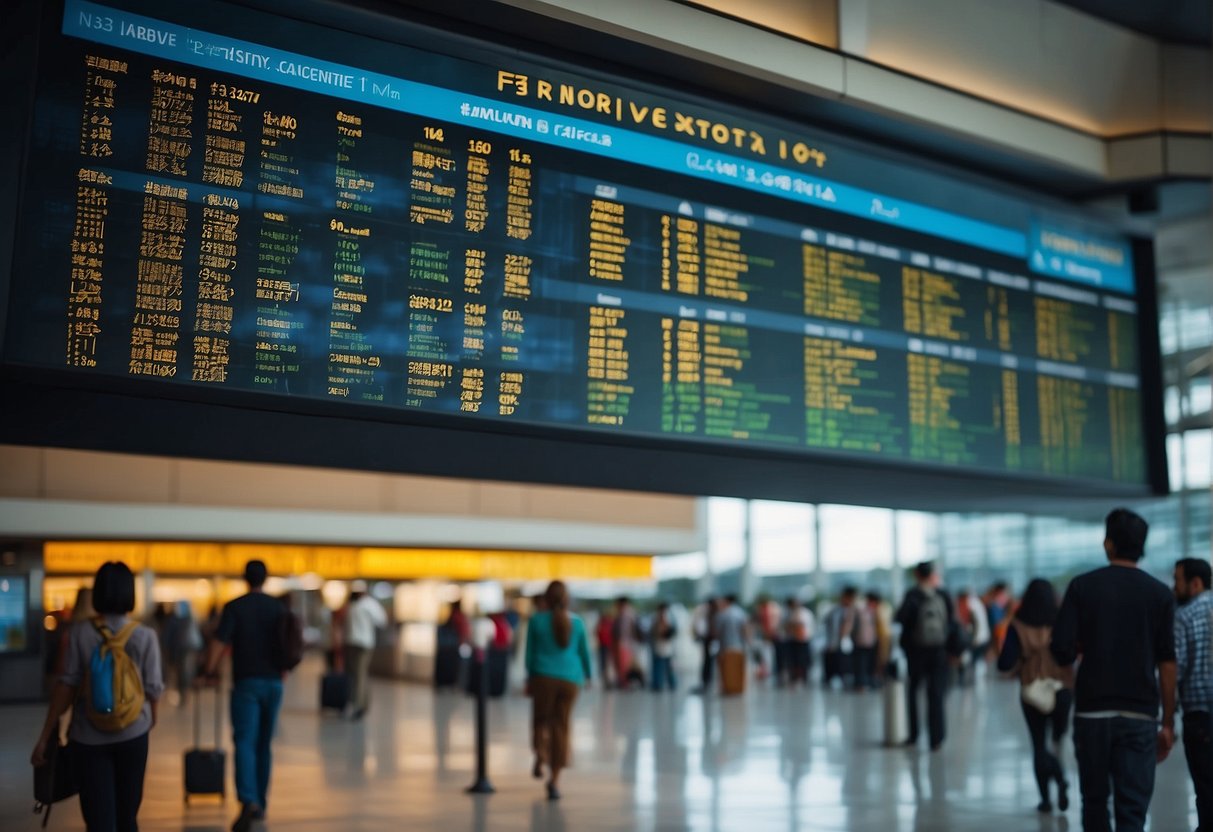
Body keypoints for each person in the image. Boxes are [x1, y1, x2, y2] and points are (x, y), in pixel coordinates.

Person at [1050, 508, 1176, 832]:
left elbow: (1061, 649)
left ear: (1109, 544)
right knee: (1132, 811)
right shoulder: (1160, 594)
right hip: (1140, 715)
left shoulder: (1081, 587)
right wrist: (1167, 722)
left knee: (1094, 803)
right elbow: (1167, 663)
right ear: (1142, 546)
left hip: (1092, 712)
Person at [31, 561, 164, 832]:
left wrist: (45, 737)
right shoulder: (145, 635)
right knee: (128, 817)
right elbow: (153, 689)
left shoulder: (79, 633)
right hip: (133, 734)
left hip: (87, 737)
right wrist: (150, 720)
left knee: (99, 820)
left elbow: (66, 686)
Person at [199, 559, 289, 832]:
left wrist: (207, 671)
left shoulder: (235, 607)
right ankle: (261, 803)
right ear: (267, 578)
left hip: (247, 683)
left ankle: (248, 800)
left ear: (245, 578)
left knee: (245, 742)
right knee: (264, 744)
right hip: (274, 683)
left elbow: (219, 642)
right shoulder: (278, 608)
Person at [998, 578, 1074, 813]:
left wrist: (1024, 659)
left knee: (1038, 744)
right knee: (1057, 740)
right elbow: (1069, 654)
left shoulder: (1017, 625)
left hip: (1031, 689)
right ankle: (1060, 776)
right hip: (1062, 688)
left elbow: (1004, 663)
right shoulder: (1063, 620)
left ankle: (1046, 798)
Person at [525, 580, 592, 801]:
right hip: (570, 680)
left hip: (543, 677)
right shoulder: (578, 623)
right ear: (566, 598)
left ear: (546, 598)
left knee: (541, 720)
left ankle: (541, 753)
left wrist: (529, 678)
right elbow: (584, 653)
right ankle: (554, 781)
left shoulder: (536, 621)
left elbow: (529, 655)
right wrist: (589, 676)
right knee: (561, 726)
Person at [896, 561, 955, 750]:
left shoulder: (912, 595)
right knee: (936, 694)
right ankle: (936, 739)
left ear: (916, 574)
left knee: (913, 692)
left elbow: (900, 618)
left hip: (916, 651)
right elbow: (952, 623)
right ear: (933, 574)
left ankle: (913, 735)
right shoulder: (943, 594)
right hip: (939, 651)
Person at [1173, 557, 1213, 832]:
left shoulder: (1184, 616)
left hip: (1200, 716)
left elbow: (1175, 668)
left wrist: (1165, 715)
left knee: (1206, 788)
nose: (1174, 587)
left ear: (1195, 583)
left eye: (1177, 580)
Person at [344, 579, 387, 720]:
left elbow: (381, 620)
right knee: (357, 675)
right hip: (352, 642)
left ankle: (358, 705)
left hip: (363, 644)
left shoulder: (369, 604)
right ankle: (361, 703)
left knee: (360, 675)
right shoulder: (353, 604)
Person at [715, 594, 750, 696]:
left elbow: (717, 632)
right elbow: (745, 629)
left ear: (726, 601)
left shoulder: (722, 614)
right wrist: (748, 642)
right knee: (738, 671)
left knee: (727, 672)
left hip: (725, 647)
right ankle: (738, 689)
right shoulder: (741, 613)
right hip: (739, 646)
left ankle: (728, 689)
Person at [783, 597, 814, 687]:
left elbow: (798, 626)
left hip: (800, 640)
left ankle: (800, 677)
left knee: (800, 661)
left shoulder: (800, 613)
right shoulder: (798, 612)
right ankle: (798, 677)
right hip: (798, 640)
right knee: (797, 661)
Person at [691, 596, 719, 694]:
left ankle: (707, 682)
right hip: (709, 641)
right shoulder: (711, 614)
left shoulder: (712, 614)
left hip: (710, 641)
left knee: (708, 663)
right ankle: (706, 682)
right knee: (708, 663)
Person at [649, 603, 677, 692]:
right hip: (659, 647)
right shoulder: (656, 620)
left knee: (669, 668)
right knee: (658, 667)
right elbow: (655, 633)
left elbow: (670, 633)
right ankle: (657, 684)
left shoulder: (669, 620)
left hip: (667, 647)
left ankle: (672, 684)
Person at [595, 604, 615, 689]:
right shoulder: (609, 622)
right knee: (606, 664)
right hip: (607, 645)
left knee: (605, 664)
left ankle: (607, 681)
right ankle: (607, 681)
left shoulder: (604, 622)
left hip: (606, 645)